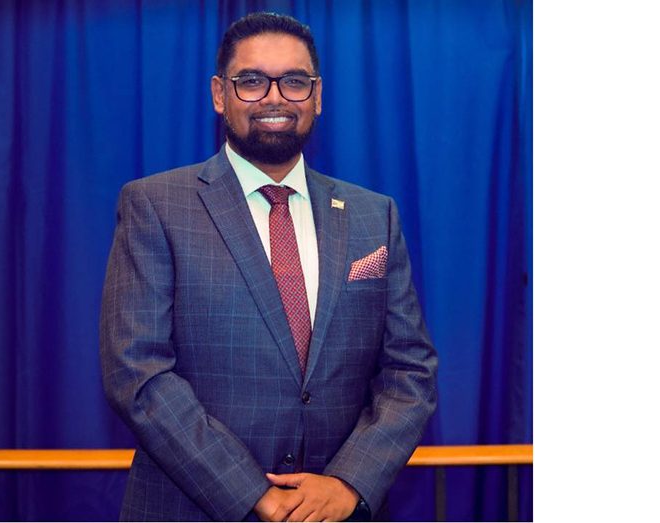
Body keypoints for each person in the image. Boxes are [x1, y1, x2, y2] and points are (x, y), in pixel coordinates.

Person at [100, 12, 437, 522]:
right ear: (220, 94)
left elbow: (411, 372)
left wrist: (349, 484)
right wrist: (254, 493)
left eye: (295, 82)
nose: (275, 97)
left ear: (317, 96)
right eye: (252, 81)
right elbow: (137, 372)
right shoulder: (156, 205)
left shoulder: (375, 215)